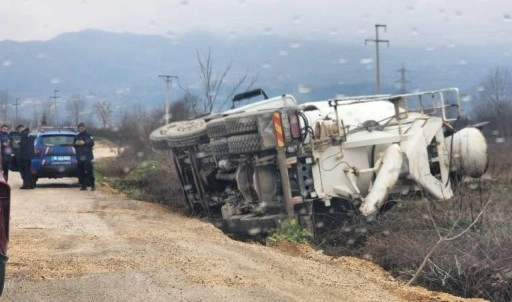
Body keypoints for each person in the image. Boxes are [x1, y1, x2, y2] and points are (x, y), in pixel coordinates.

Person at [73, 122, 95, 191]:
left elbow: (92, 143)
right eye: (79, 128)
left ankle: (92, 185)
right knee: (80, 172)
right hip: (79, 156)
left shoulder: (89, 135)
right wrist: (76, 143)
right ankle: (83, 186)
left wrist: (84, 143)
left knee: (89, 171)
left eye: (82, 128)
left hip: (87, 156)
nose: (80, 129)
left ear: (84, 128)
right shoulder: (77, 136)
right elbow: (73, 144)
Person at [17, 125, 35, 189]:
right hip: (30, 155)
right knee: (28, 170)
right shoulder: (30, 134)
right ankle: (31, 184)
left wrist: (19, 143)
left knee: (24, 171)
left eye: (18, 130)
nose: (18, 132)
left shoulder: (23, 135)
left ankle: (26, 185)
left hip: (24, 156)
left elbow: (23, 145)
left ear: (20, 129)